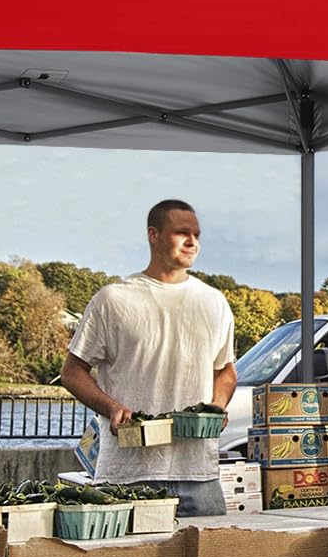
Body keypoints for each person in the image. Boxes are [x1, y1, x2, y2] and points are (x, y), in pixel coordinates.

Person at [62, 199, 237, 515]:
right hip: (127, 476)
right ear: (153, 235)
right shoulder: (112, 300)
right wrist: (111, 407)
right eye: (182, 232)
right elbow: (72, 372)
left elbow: (225, 370)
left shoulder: (215, 302)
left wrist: (218, 404)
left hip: (198, 474)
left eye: (196, 234)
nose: (192, 242)